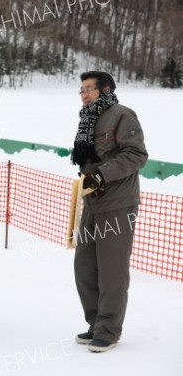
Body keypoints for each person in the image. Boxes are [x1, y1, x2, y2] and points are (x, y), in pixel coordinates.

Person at [72, 71, 148, 353]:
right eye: (81, 90)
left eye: (89, 89)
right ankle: (95, 323)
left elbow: (137, 155)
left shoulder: (122, 115)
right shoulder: (87, 120)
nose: (84, 94)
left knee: (112, 270)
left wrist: (102, 174)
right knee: (84, 266)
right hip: (92, 203)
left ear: (105, 90)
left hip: (118, 203)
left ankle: (108, 329)